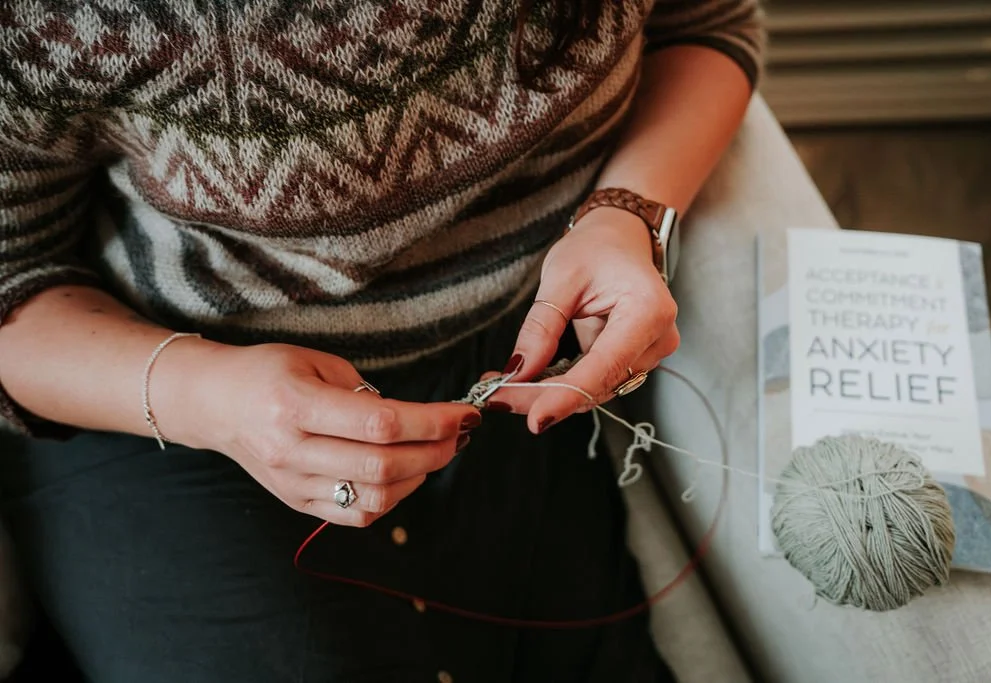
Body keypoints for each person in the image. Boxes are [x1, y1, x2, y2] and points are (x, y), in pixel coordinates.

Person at [0, 1, 763, 680]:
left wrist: (626, 214)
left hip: (517, 374)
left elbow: (702, 26)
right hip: (165, 395)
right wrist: (210, 399)